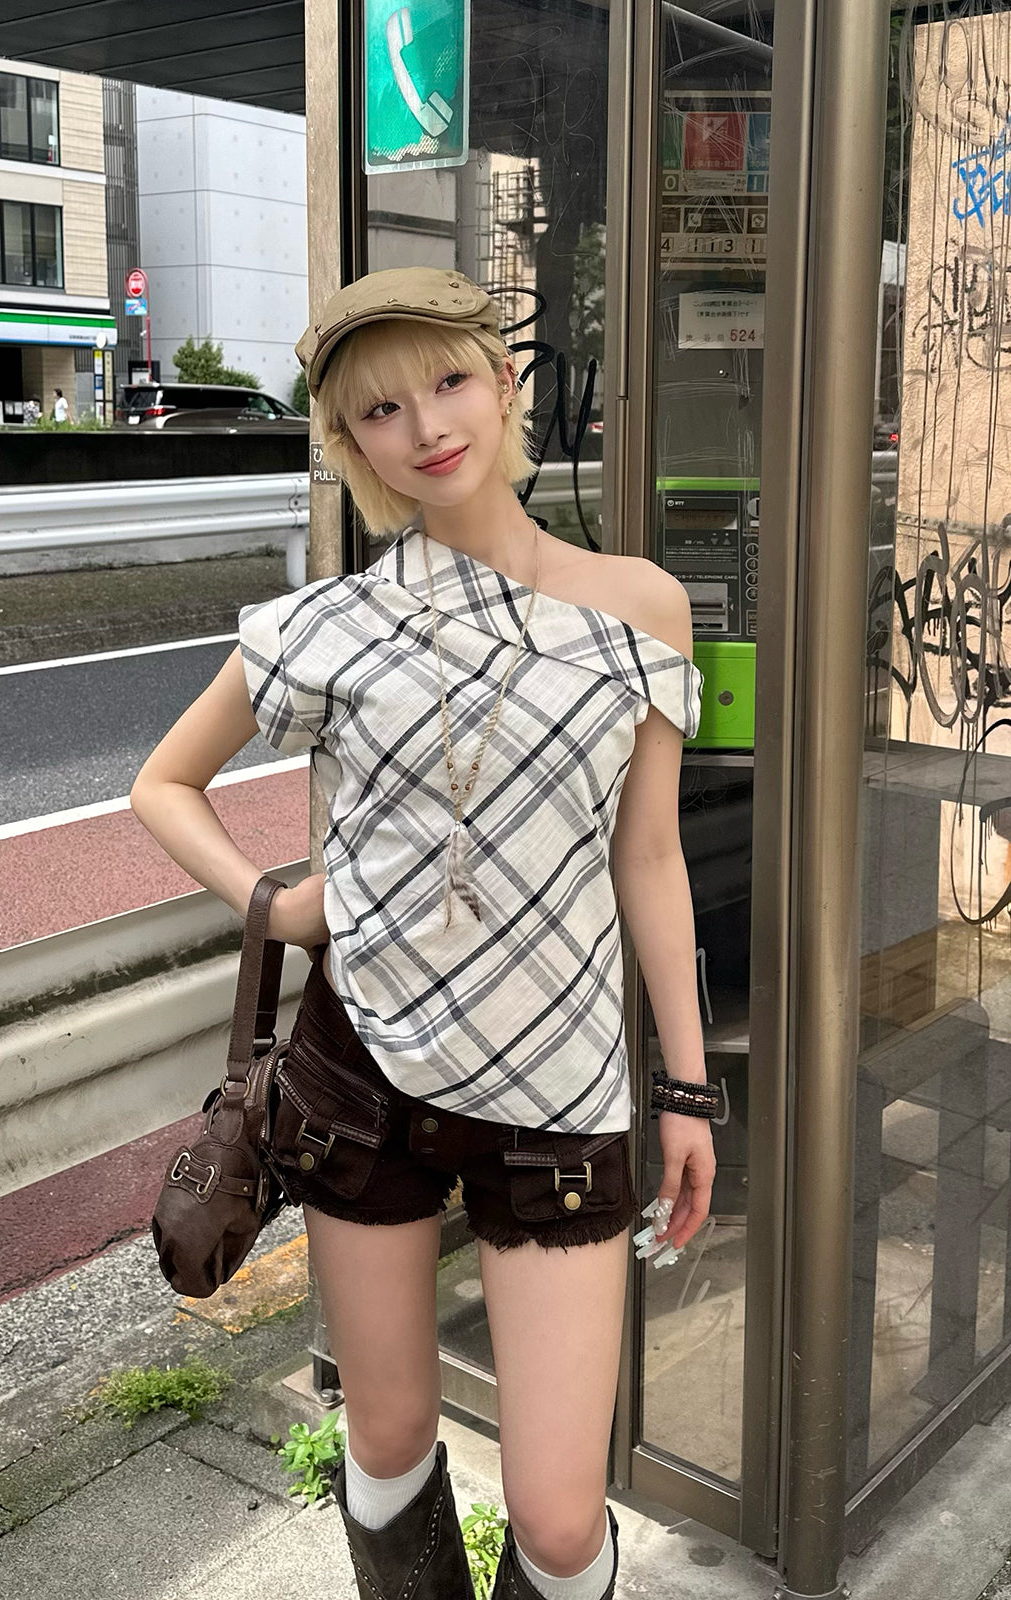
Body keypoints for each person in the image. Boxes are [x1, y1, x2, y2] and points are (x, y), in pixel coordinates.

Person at [129, 266, 717, 1600]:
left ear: (505, 385)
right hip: (359, 1081)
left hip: (559, 1084)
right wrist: (276, 902)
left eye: (449, 381)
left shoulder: (639, 604)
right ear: (349, 442)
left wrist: (685, 1088)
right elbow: (164, 782)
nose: (427, 426)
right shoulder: (324, 626)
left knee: (559, 1521)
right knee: (387, 1436)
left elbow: (649, 857)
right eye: (380, 409)